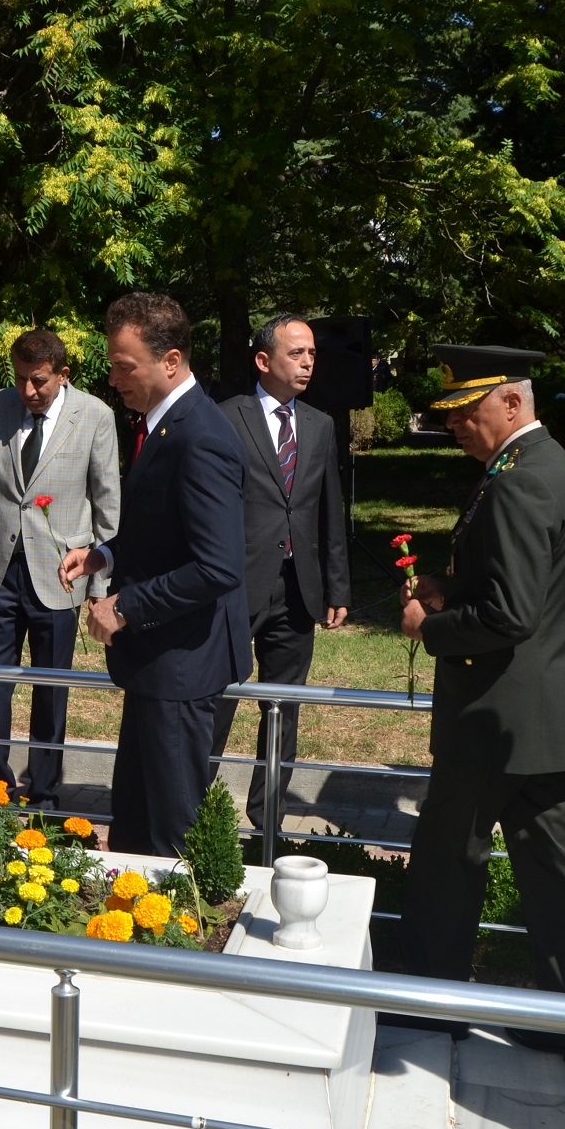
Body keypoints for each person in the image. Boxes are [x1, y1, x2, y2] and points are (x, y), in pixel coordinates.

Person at [392, 346, 565, 1071]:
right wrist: (457, 587)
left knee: (449, 860)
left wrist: (434, 626)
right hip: (538, 713)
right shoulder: (547, 470)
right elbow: (530, 589)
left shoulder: (518, 482)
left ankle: (432, 1001)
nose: (455, 425)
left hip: (494, 713)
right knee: (554, 872)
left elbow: (512, 613)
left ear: (511, 404)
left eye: (466, 411)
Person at [58, 295, 248, 856]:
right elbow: (168, 532)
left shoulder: (201, 435)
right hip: (158, 666)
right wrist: (104, 557)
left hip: (182, 666)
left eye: (124, 365)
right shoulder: (164, 426)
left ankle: (173, 942)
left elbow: (218, 566)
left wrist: (123, 606)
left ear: (170, 361)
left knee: (170, 836)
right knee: (137, 823)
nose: (113, 378)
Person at [0, 328, 120, 809]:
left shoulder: (95, 416)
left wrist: (100, 582)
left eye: (39, 381)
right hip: (2, 573)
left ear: (63, 375)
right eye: (21, 378)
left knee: (52, 691)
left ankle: (45, 792)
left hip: (62, 577)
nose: (28, 390)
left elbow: (108, 504)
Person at [213, 314, 351, 833]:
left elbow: (328, 511)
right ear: (264, 360)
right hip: (235, 585)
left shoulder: (319, 425)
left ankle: (267, 820)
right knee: (219, 700)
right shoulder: (227, 418)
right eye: (297, 353)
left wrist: (337, 584)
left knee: (283, 708)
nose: (309, 362)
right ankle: (197, 813)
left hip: (298, 590)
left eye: (313, 353)